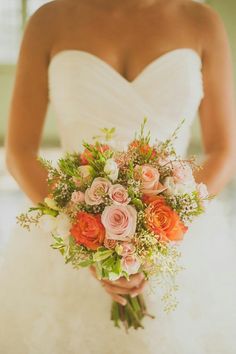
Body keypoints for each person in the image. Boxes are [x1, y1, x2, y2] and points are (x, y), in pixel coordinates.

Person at [1, 0, 236, 353]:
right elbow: (19, 151)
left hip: (181, 239)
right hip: (67, 233)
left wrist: (160, 235)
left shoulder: (201, 21)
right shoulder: (48, 20)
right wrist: (87, 238)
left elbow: (224, 150)